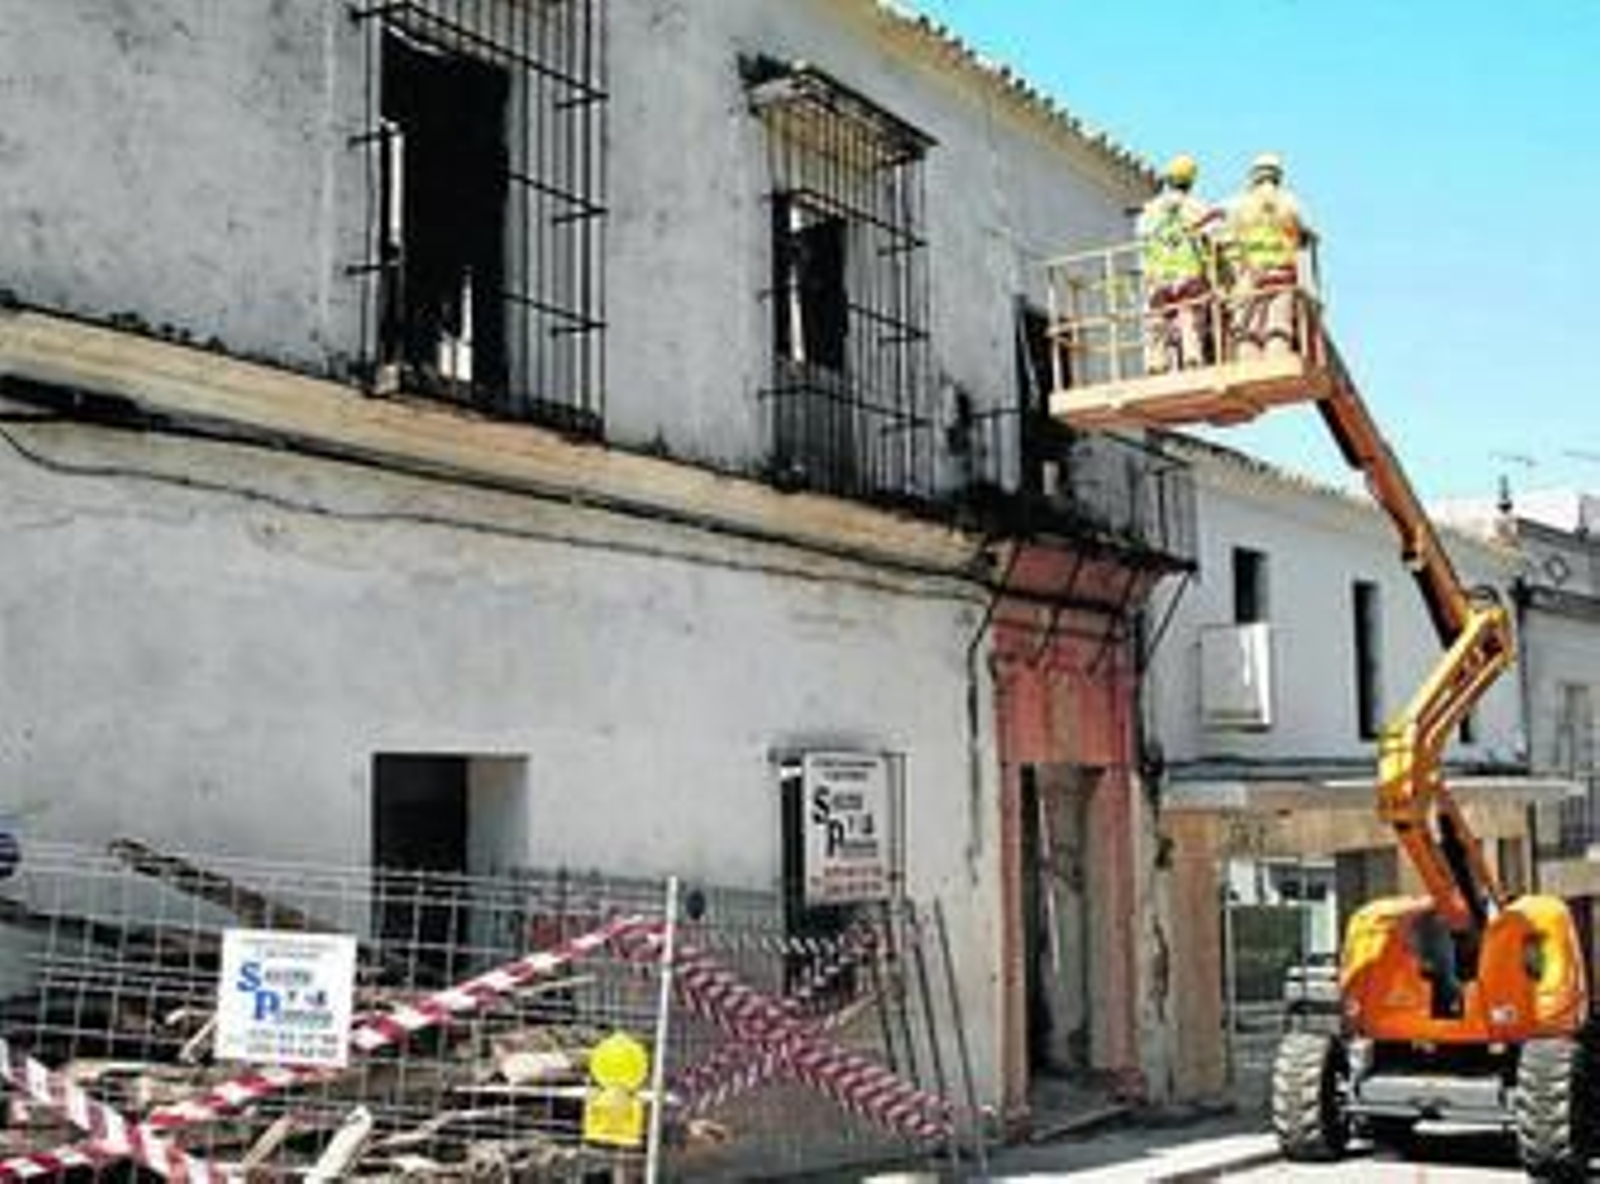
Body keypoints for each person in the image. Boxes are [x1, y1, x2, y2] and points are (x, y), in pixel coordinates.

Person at [1224, 152, 1314, 359]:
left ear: (1254, 176)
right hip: (1282, 274)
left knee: (1247, 332)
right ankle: (1277, 355)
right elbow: (1303, 235)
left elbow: (1226, 237)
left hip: (1251, 275)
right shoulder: (1290, 202)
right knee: (1277, 329)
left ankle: (1248, 361)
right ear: (1277, 176)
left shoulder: (1239, 204)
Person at [1138, 153, 1222, 374]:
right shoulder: (1197, 207)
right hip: (1188, 273)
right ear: (1191, 181)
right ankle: (1192, 359)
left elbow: (1142, 240)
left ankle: (1156, 363)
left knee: (1157, 319)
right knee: (1189, 316)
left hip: (1157, 275)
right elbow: (1213, 238)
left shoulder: (1150, 210)